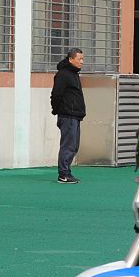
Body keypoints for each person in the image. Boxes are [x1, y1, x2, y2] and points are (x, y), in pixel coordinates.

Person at [50, 48, 86, 184]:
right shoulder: (63, 75)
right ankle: (63, 174)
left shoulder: (74, 74)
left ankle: (66, 172)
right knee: (68, 145)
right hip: (67, 116)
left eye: (83, 59)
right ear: (71, 59)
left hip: (75, 116)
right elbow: (56, 94)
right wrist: (57, 109)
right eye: (79, 59)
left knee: (74, 145)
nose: (82, 62)